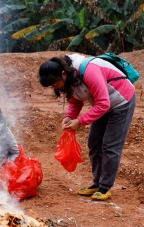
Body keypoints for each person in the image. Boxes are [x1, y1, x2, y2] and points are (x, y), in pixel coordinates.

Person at [38, 54, 136, 201]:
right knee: (94, 142)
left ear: (63, 74)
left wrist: (80, 122)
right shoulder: (69, 80)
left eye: (54, 84)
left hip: (121, 101)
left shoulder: (90, 71)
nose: (54, 87)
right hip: (103, 105)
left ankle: (105, 187)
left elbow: (104, 103)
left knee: (110, 145)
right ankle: (97, 183)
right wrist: (69, 117)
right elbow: (75, 102)